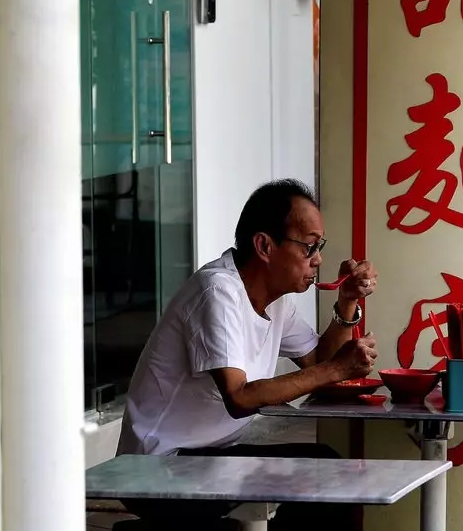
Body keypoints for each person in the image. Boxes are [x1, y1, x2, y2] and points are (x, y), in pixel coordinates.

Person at [117, 178, 379, 457]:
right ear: (265, 246)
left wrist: (348, 299)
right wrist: (338, 368)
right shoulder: (217, 290)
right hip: (162, 461)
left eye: (319, 248)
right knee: (322, 465)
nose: (318, 260)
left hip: (208, 455)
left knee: (323, 463)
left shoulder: (276, 302)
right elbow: (239, 397)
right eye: (309, 247)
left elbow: (320, 363)